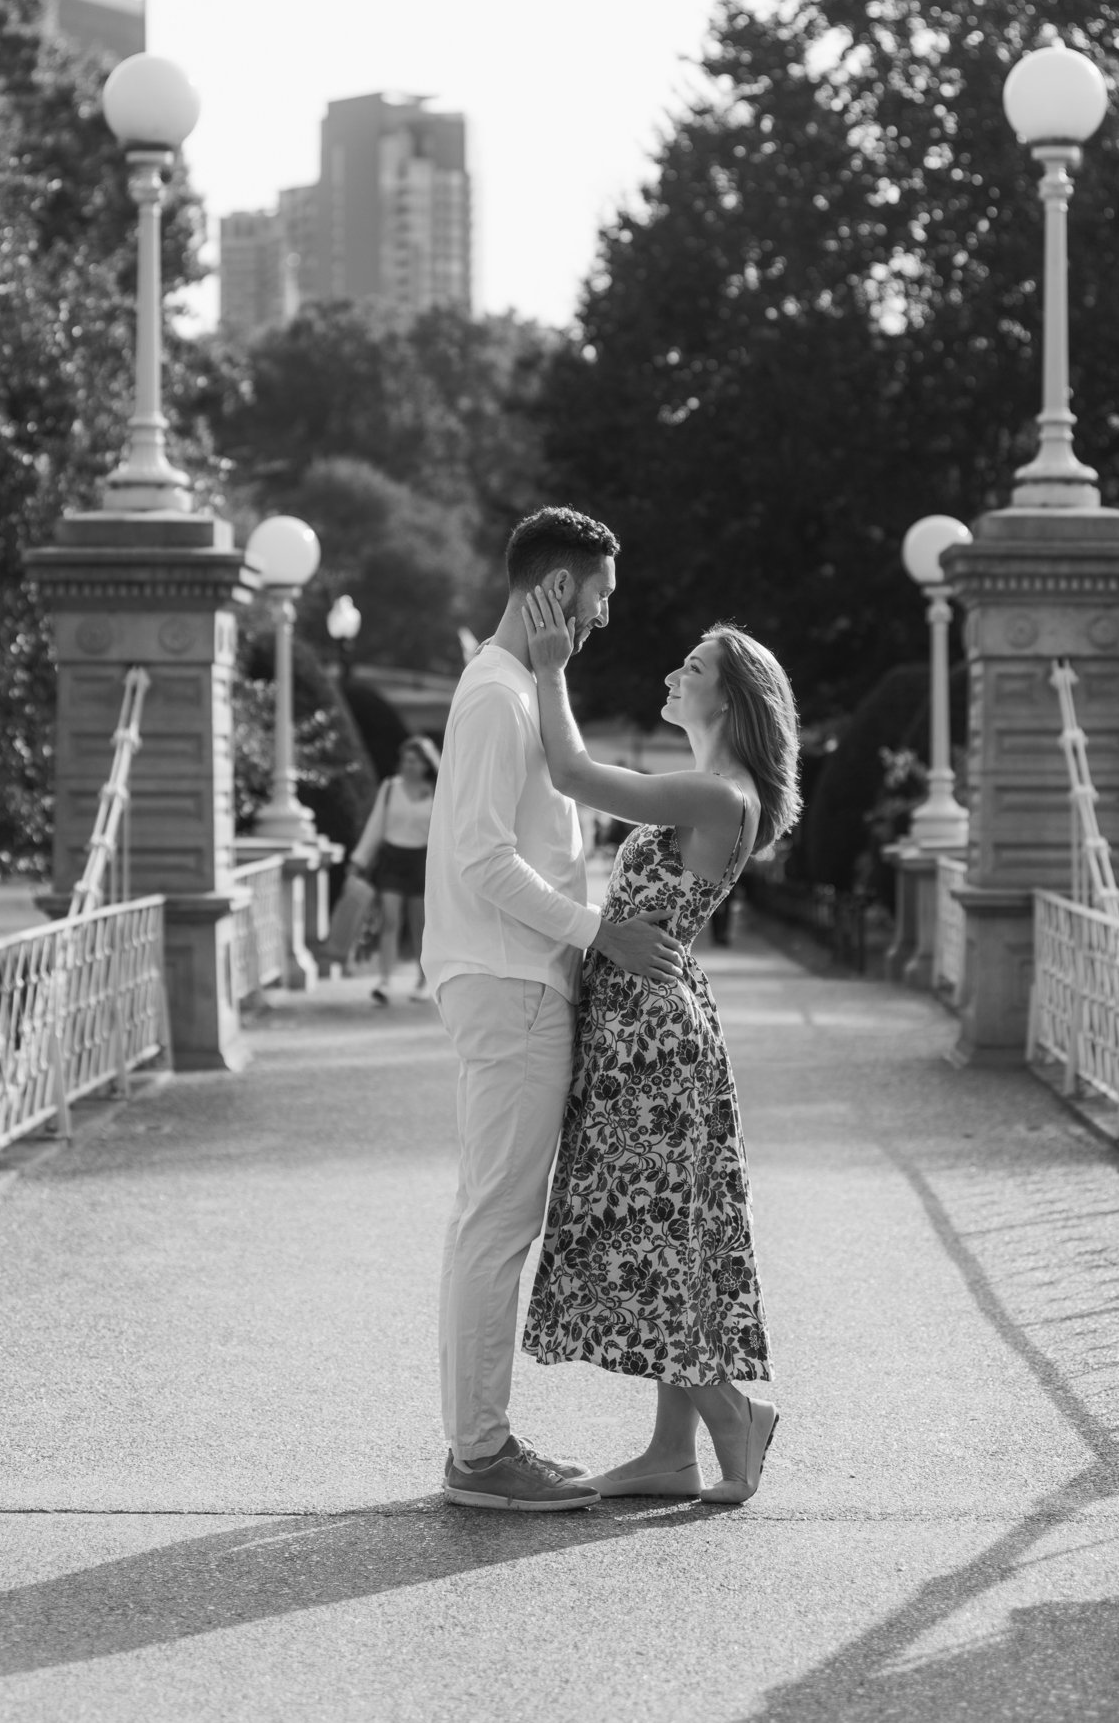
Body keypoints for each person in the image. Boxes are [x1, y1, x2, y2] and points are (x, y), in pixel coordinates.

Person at [424, 507, 687, 1514]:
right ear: (557, 588)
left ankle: (476, 1446)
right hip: (510, 980)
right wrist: (597, 933)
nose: (605, 618)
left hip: (511, 980)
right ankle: (481, 1457)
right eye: (601, 597)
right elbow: (483, 860)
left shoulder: (516, 689)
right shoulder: (498, 697)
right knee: (497, 1221)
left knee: (488, 1219)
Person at [520, 588, 801, 1505]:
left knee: (649, 1234)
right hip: (649, 1022)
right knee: (664, 1237)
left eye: (693, 668)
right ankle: (670, 1453)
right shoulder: (722, 791)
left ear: (727, 700)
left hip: (650, 1038)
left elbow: (571, 772)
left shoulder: (715, 793)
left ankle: (732, 1418)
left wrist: (552, 666)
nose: (674, 674)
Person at [350, 736, 439, 1004]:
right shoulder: (390, 787)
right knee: (389, 920)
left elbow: (445, 832)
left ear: (426, 764)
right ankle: (385, 980)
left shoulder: (438, 790)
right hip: (392, 860)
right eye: (405, 761)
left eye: (414, 761)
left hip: (422, 862)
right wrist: (359, 860)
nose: (408, 766)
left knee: (420, 925)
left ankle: (424, 981)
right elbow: (376, 825)